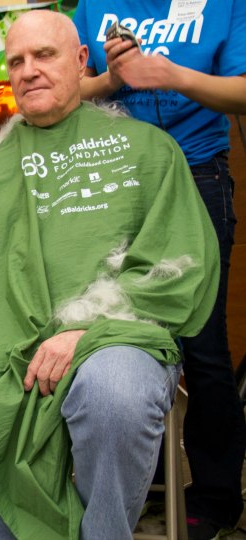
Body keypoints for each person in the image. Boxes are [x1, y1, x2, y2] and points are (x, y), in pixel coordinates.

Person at [0, 10, 220, 539]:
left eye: (44, 55)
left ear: (80, 62)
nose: (27, 70)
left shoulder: (148, 148)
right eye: (16, 61)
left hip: (117, 341)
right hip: (6, 350)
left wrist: (86, 332)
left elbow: (177, 266)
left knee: (112, 391)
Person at [73, 3, 246, 536]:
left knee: (203, 345)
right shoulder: (92, 6)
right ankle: (144, 480)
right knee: (121, 332)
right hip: (115, 181)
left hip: (198, 175)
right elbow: (72, 90)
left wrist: (173, 75)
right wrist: (110, 78)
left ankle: (216, 498)